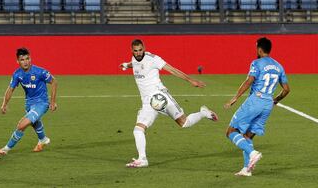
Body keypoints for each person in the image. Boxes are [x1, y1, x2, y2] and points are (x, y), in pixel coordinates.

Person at [120, 39, 218, 168]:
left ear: (144, 48)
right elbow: (135, 63)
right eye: (135, 51)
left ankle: (203, 113)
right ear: (132, 51)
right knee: (138, 130)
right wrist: (127, 65)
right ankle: (142, 159)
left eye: (140, 50)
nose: (138, 53)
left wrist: (191, 80)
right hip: (147, 103)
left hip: (161, 97)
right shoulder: (134, 59)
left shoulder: (153, 59)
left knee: (184, 124)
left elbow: (172, 70)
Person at [224, 37, 290, 176]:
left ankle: (252, 153)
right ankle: (247, 170)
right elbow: (286, 89)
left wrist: (234, 98)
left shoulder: (257, 63)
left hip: (255, 101)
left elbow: (249, 81)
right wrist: (275, 100)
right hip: (267, 105)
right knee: (247, 136)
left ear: (259, 49)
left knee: (230, 132)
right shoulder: (279, 66)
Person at [0, 47, 58, 155]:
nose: (25, 62)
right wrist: (4, 104)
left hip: (41, 103)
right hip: (29, 104)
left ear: (30, 59)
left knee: (21, 125)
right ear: (18, 61)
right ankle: (43, 139)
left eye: (27, 58)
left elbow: (54, 82)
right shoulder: (17, 74)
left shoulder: (40, 72)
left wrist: (52, 102)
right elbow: (10, 89)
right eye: (22, 59)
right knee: (34, 122)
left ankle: (5, 149)